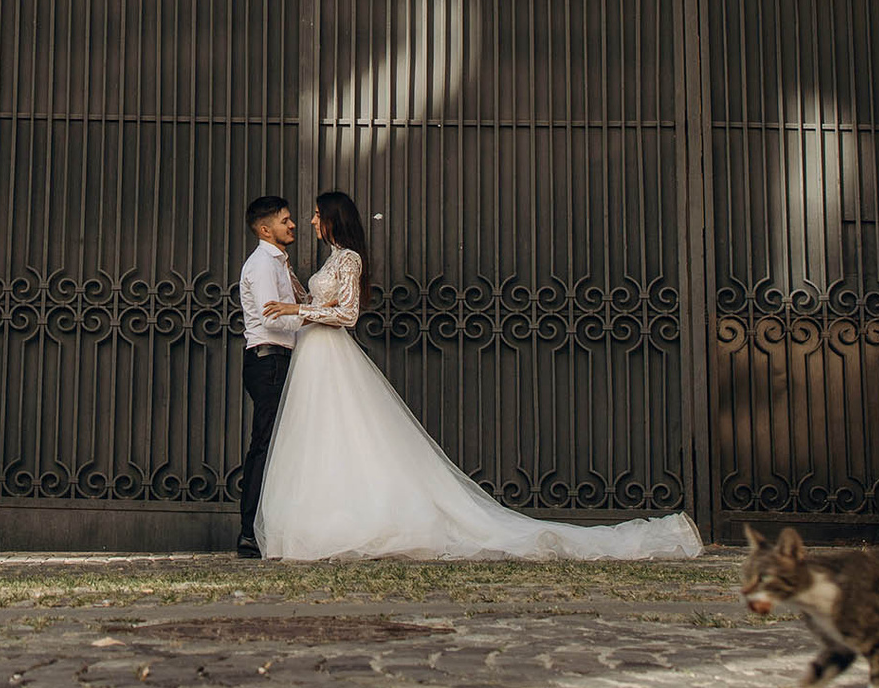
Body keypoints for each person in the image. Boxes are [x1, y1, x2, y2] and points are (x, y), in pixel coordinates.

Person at [253, 190, 704, 561]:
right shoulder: (328, 262)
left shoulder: (349, 258)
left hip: (332, 354)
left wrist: (298, 307)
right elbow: (317, 303)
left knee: (350, 435)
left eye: (314, 215)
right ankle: (325, 517)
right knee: (324, 439)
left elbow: (347, 314)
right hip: (314, 356)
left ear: (333, 219)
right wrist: (293, 285)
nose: (309, 222)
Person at [234, 194, 300, 558]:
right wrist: (311, 314)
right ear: (265, 229)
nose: (291, 225)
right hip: (268, 361)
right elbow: (273, 317)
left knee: (278, 446)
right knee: (264, 445)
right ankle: (249, 533)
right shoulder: (262, 265)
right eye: (285, 220)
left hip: (279, 359)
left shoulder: (278, 262)